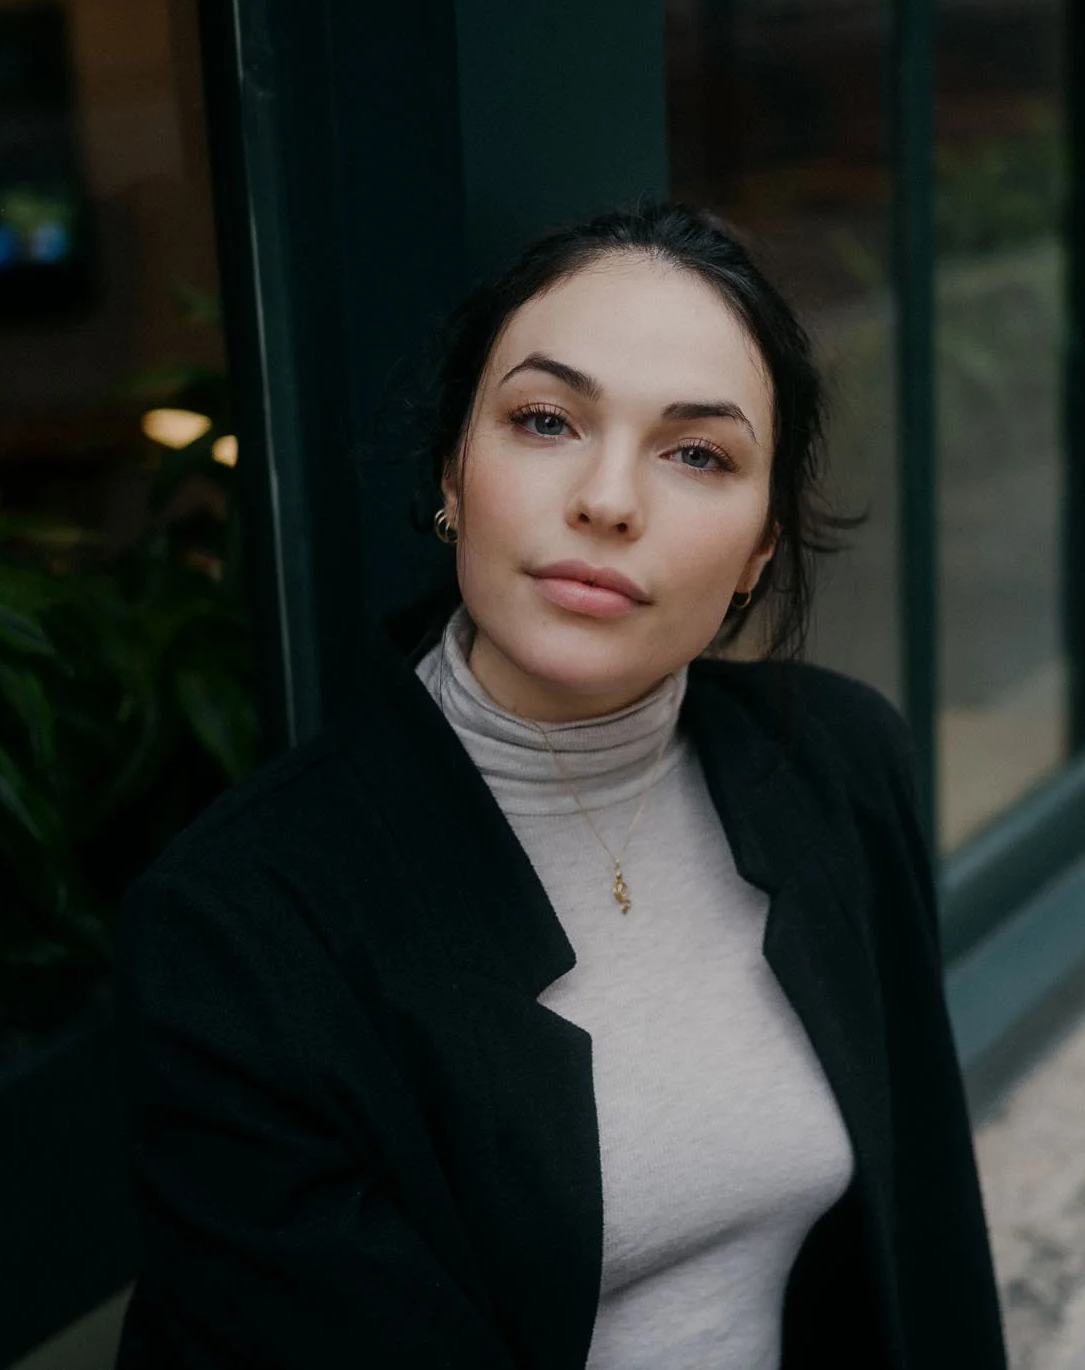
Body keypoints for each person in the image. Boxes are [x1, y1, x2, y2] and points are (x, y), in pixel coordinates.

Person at [113, 202, 1008, 1368]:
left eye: (698, 452)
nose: (608, 498)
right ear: (453, 470)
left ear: (758, 550)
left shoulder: (838, 765)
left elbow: (924, 1248)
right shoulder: (237, 923)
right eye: (545, 419)